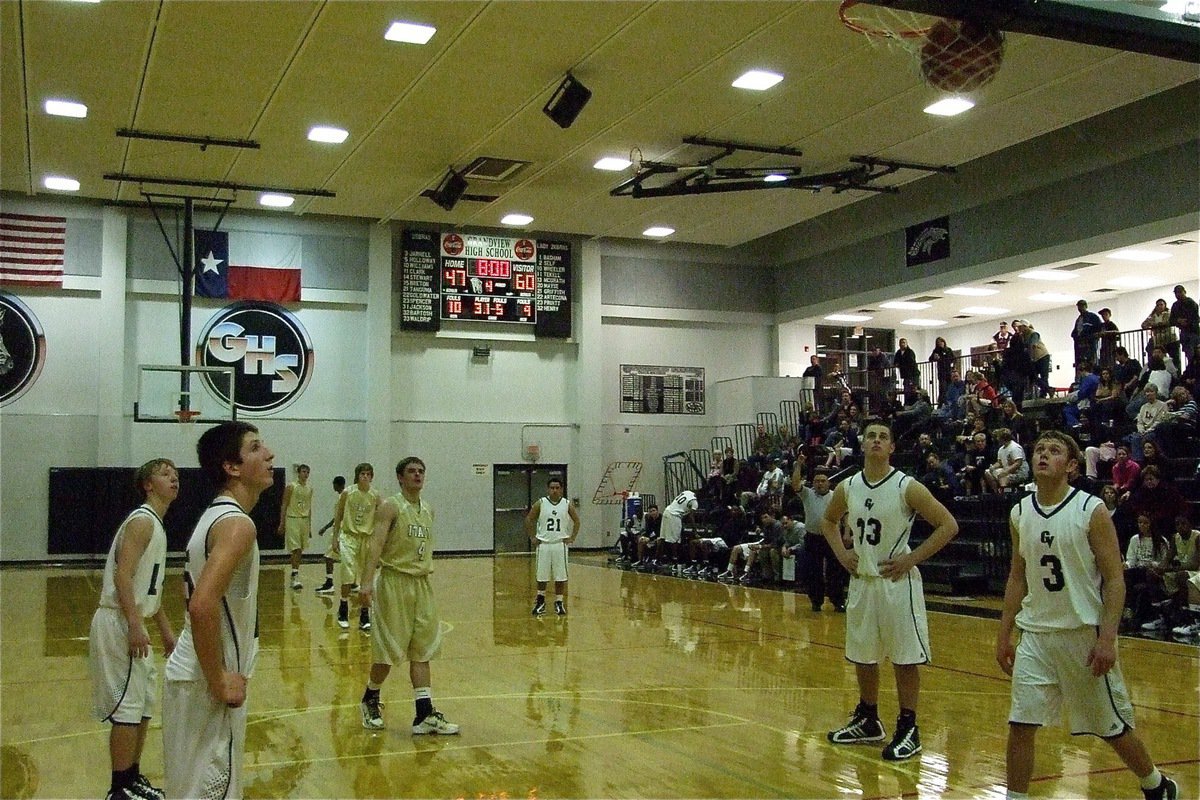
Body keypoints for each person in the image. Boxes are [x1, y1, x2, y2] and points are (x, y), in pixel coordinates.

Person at [995, 430, 1177, 800]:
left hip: (1082, 634)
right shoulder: (1019, 512)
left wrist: (1107, 638)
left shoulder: (1089, 510)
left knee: (1110, 727)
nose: (1043, 455)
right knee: (1021, 724)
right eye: (1039, 449)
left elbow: (1114, 579)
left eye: (1054, 451)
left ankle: (1155, 784)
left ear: (1072, 466)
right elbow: (1018, 576)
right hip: (1036, 636)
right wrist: (1003, 634)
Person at [823, 420, 959, 761]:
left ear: (892, 447)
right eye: (871, 436)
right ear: (862, 444)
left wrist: (912, 558)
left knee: (904, 657)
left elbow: (948, 525)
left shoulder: (906, 486)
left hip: (897, 584)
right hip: (863, 582)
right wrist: (842, 554)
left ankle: (909, 727)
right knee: (863, 654)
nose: (877, 441)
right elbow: (827, 521)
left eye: (884, 437)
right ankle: (869, 718)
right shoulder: (848, 487)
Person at [163, 422, 273, 800]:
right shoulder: (237, 526)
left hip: (193, 672)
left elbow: (187, 589)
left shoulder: (214, 516)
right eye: (256, 448)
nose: (270, 454)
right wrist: (218, 679)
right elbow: (201, 604)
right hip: (205, 681)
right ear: (232, 466)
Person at [88, 459, 179, 800]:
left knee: (142, 705)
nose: (174, 478)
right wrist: (135, 624)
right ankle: (118, 789)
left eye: (177, 475)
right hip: (119, 621)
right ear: (147, 485)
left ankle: (132, 778)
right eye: (165, 473)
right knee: (127, 707)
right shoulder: (142, 521)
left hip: (133, 619)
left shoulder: (155, 523)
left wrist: (166, 631)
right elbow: (122, 576)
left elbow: (148, 588)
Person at [358, 457, 459, 735]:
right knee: (388, 652)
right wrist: (366, 582)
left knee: (422, 649)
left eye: (421, 471)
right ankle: (370, 697)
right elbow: (376, 543)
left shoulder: (428, 509)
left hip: (421, 583)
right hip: (394, 581)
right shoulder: (391, 506)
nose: (417, 475)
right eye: (412, 471)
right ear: (400, 477)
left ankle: (424, 714)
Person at [333, 463, 379, 631]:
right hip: (349, 537)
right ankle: (343, 609)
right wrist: (335, 537)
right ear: (357, 476)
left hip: (366, 539)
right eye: (362, 474)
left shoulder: (375, 496)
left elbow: (383, 518)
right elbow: (338, 516)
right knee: (347, 574)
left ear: (372, 477)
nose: (365, 477)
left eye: (368, 474)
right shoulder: (348, 493)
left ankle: (364, 614)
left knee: (366, 578)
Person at [526, 477, 580, 616]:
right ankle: (540, 601)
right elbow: (529, 519)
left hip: (559, 545)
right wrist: (532, 537)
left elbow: (577, 521)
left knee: (560, 576)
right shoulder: (541, 503)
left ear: (561, 489)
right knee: (542, 576)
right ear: (548, 489)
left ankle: (559, 601)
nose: (554, 490)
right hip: (544, 544)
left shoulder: (566, 504)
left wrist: (572, 537)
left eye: (557, 488)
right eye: (552, 488)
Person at [278, 463, 313, 590]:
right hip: (293, 519)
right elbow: (284, 504)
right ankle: (294, 576)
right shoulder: (291, 487)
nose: (305, 474)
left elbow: (309, 508)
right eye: (303, 471)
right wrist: (282, 523)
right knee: (295, 549)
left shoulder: (309, 488)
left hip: (304, 520)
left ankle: (296, 572)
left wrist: (309, 526)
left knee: (301, 550)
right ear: (298, 473)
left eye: (307, 472)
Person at [314, 475, 346, 594]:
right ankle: (352, 583)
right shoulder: (345, 496)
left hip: (339, 530)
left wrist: (327, 528)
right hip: (341, 529)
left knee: (328, 557)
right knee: (347, 558)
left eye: (334, 484)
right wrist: (326, 527)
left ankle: (329, 583)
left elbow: (338, 517)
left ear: (337, 485)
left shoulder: (342, 497)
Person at [659, 489, 699, 565]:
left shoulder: (687, 492)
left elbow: (681, 506)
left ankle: (658, 559)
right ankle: (675, 561)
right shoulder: (695, 502)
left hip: (667, 511)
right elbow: (691, 516)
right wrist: (695, 530)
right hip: (674, 515)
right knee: (675, 540)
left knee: (663, 537)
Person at [1170, 284, 1199, 371]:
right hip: (1185, 333)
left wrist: (1184, 321)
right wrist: (1179, 321)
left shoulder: (1191, 303)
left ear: (1184, 292)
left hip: (1193, 332)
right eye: (1176, 293)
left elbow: (1195, 318)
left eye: (1179, 292)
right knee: (1189, 355)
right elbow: (1171, 320)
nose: (1178, 295)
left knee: (1194, 354)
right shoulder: (1175, 305)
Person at [1071, 299, 1102, 368]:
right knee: (1082, 360)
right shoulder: (1079, 319)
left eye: (1081, 306)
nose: (1080, 308)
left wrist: (1093, 337)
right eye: (1079, 306)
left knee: (1091, 359)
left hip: (1090, 343)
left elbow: (1099, 328)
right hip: (1080, 344)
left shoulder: (1092, 317)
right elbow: (1075, 331)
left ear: (1085, 306)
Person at [928, 337, 955, 405]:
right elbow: (930, 359)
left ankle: (948, 401)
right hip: (941, 372)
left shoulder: (948, 350)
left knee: (949, 387)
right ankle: (942, 402)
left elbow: (953, 359)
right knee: (943, 388)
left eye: (941, 342)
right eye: (938, 343)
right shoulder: (936, 351)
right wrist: (935, 357)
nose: (940, 344)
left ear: (944, 342)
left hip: (948, 371)